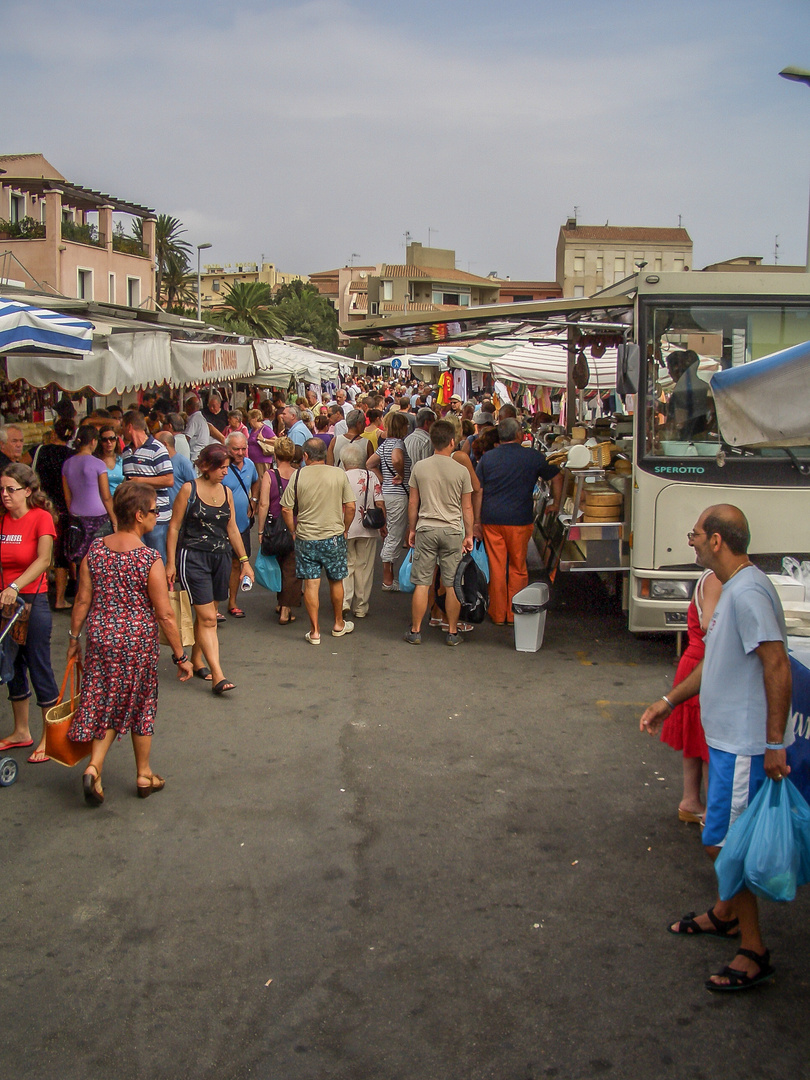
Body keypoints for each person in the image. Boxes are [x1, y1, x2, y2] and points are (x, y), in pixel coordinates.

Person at [640, 505, 793, 992]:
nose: (692, 540)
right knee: (724, 841)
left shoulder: (747, 593)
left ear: (719, 541)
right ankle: (727, 913)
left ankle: (753, 950)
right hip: (728, 741)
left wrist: (772, 743)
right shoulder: (730, 588)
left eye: (696, 534)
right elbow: (717, 661)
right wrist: (669, 700)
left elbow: (777, 666)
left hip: (745, 746)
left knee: (723, 844)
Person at [66, 483, 194, 804]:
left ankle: (111, 769)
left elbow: (82, 601)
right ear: (139, 516)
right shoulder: (146, 558)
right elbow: (165, 614)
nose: (157, 516)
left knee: (103, 699)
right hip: (136, 640)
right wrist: (181, 656)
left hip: (100, 636)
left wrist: (73, 639)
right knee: (140, 703)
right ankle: (131, 771)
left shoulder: (95, 550)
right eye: (154, 511)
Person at [166, 444, 254, 694]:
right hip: (193, 558)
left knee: (207, 613)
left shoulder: (226, 492)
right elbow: (174, 527)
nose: (226, 472)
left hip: (221, 558)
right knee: (207, 618)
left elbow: (232, 528)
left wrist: (245, 561)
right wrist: (170, 562)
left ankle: (197, 659)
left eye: (227, 467)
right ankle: (218, 675)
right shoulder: (188, 489)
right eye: (221, 467)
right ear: (206, 467)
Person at [476, 417, 562, 625]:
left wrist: (476, 521)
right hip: (520, 520)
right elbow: (557, 477)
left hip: (491, 519)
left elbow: (477, 490)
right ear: (519, 435)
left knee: (496, 567)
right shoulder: (533, 456)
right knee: (518, 567)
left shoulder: (487, 459)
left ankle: (497, 613)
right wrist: (556, 503)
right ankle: (515, 613)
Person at [0, 464, 59, 762]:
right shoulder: (3, 522)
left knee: (38, 664)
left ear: (28, 490)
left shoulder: (41, 518)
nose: (5, 495)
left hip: (31, 599)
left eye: (11, 489)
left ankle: (51, 738)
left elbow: (43, 559)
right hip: (6, 603)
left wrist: (15, 584)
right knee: (12, 665)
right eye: (2, 489)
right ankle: (21, 731)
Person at [403, 420, 474, 647]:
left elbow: (413, 502)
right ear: (452, 441)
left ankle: (415, 630)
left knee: (423, 582)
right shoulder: (461, 470)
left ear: (432, 441)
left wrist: (412, 529)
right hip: (452, 529)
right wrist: (469, 534)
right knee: (452, 582)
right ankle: (452, 631)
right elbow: (467, 507)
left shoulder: (420, 467)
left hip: (426, 527)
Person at [660, 569, 722, 823]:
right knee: (708, 744)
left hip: (694, 661)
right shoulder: (717, 578)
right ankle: (713, 812)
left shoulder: (709, 576)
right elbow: (710, 623)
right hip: (703, 663)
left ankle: (691, 801)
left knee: (695, 740)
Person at [280, 438, 356, 645]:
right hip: (333, 536)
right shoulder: (338, 474)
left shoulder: (298, 475)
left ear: (305, 456)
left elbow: (286, 508)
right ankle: (338, 623)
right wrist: (345, 528)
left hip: (306, 537)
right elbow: (350, 506)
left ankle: (314, 631)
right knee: (336, 580)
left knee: (311, 584)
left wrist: (293, 530)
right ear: (325, 454)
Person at [256, 437, 302, 625]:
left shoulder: (269, 475)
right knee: (291, 568)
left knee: (278, 565)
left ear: (275, 454)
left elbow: (263, 503)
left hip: (274, 526)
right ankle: (285, 608)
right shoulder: (299, 474)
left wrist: (260, 530)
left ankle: (281, 604)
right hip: (295, 525)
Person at [31, 418, 74, 610]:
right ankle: (59, 598)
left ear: (54, 433)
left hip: (40, 505)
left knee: (39, 549)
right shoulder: (71, 455)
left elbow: (25, 469)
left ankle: (37, 589)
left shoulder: (39, 451)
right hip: (63, 508)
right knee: (61, 554)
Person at [121, 411, 174, 562]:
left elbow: (168, 480)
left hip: (157, 516)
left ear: (129, 427)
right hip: (135, 516)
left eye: (123, 426)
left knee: (157, 559)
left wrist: (140, 481)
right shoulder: (126, 452)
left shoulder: (157, 449)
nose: (122, 431)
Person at [367, 410, 411, 591]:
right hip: (399, 494)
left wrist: (382, 478)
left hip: (387, 492)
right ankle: (388, 578)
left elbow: (370, 463)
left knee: (390, 531)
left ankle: (389, 576)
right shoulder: (399, 444)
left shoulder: (384, 444)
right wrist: (400, 473)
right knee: (395, 533)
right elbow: (396, 458)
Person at [341, 440, 385, 620]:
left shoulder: (340, 476)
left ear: (344, 461)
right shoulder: (370, 476)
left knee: (346, 564)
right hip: (367, 528)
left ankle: (344, 601)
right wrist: (383, 524)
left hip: (345, 526)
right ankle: (360, 606)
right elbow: (379, 502)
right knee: (364, 568)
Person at [62, 425, 117, 567]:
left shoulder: (67, 464)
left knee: (81, 562)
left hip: (77, 517)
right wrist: (114, 520)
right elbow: (106, 496)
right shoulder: (99, 464)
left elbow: (68, 497)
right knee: (101, 562)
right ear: (93, 441)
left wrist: (73, 514)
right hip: (99, 518)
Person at [222, 432, 260, 618]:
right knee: (219, 566)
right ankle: (213, 607)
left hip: (242, 526)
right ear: (227, 448)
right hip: (221, 527)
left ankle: (233, 603)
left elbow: (256, 482)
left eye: (244, 448)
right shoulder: (220, 467)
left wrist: (253, 500)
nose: (240, 452)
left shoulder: (250, 465)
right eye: (236, 449)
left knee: (237, 564)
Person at [155, 431, 195, 509]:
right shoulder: (157, 462)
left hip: (179, 511)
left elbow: (194, 487)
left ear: (164, 444)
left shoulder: (184, 462)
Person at [185, 395, 222, 460]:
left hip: (195, 454)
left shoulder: (195, 419)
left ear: (189, 407)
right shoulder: (200, 417)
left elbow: (187, 438)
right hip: (200, 453)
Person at [95, 423, 125, 498]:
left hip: (119, 501)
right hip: (101, 502)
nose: (109, 442)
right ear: (100, 442)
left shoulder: (121, 460)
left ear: (117, 439)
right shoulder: (96, 461)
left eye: (112, 439)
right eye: (104, 440)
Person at [246, 408, 276, 479]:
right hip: (253, 460)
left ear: (255, 418)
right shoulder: (253, 430)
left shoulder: (265, 429)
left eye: (250, 419)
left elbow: (276, 440)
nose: (249, 422)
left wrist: (264, 439)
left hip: (262, 460)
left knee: (262, 479)